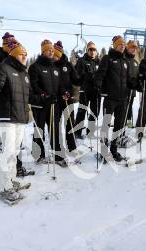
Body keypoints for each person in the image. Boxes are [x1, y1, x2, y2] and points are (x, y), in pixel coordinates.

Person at [0, 40, 31, 202]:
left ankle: (10, 179)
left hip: (20, 117)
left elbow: (29, 96)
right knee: (8, 150)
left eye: (26, 54)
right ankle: (4, 186)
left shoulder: (24, 74)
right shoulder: (4, 68)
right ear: (13, 54)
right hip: (6, 116)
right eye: (21, 54)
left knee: (15, 151)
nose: (24, 56)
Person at [29, 39, 66, 167]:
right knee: (39, 130)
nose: (51, 52)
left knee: (54, 130)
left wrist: (64, 93)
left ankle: (58, 156)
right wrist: (43, 95)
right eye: (48, 50)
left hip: (53, 104)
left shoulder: (55, 68)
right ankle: (39, 155)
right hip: (40, 104)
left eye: (52, 50)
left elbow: (60, 85)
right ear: (43, 52)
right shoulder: (35, 67)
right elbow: (33, 85)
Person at [94, 35, 130, 162]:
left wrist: (136, 84)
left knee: (119, 126)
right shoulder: (107, 58)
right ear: (115, 46)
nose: (123, 46)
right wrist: (98, 87)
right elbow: (100, 75)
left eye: (124, 44)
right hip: (110, 98)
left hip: (123, 99)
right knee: (106, 125)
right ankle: (103, 151)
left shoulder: (125, 61)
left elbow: (129, 79)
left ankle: (114, 150)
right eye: (120, 44)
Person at [53, 41, 79, 155]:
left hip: (68, 99)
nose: (54, 57)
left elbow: (76, 80)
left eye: (56, 54)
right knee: (56, 125)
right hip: (56, 99)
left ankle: (72, 148)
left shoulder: (68, 65)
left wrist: (83, 77)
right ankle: (57, 149)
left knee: (70, 124)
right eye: (53, 54)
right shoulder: (51, 65)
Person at [75, 41, 100, 139]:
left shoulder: (98, 61)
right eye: (90, 50)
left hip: (96, 91)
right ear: (87, 50)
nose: (92, 52)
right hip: (85, 90)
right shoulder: (82, 61)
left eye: (94, 50)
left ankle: (90, 131)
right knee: (82, 111)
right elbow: (78, 74)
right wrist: (89, 76)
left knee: (95, 112)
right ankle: (77, 132)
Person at [124, 40, 140, 128]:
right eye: (132, 47)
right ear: (127, 48)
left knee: (130, 105)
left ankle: (129, 121)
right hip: (123, 88)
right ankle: (122, 121)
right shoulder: (123, 59)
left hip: (132, 89)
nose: (134, 49)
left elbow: (137, 76)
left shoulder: (135, 62)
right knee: (123, 106)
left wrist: (138, 82)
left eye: (135, 48)